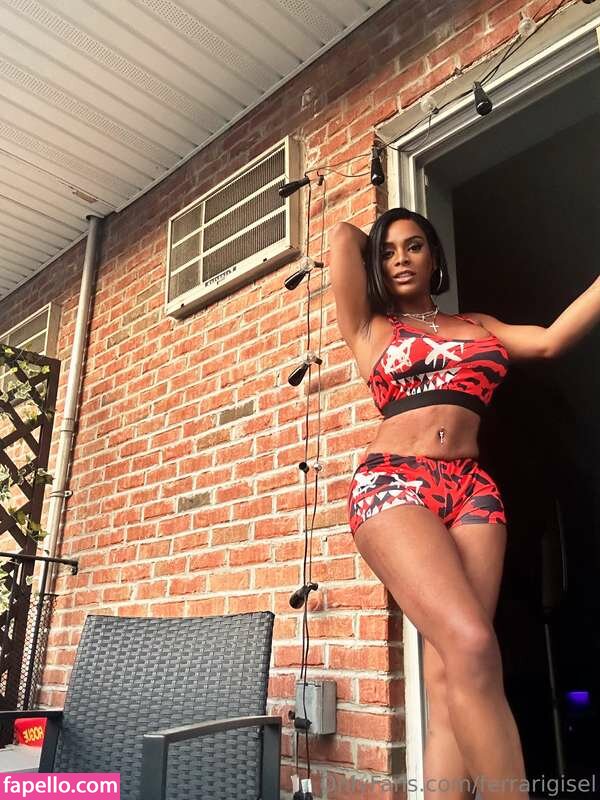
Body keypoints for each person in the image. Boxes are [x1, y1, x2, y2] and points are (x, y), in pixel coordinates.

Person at [328, 207, 600, 800]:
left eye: (415, 246)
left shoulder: (479, 325)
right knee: (473, 643)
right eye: (388, 252)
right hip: (394, 483)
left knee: (456, 670)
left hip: (473, 491)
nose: (401, 259)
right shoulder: (371, 328)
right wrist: (377, 243)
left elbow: (551, 341)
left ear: (435, 257)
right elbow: (342, 238)